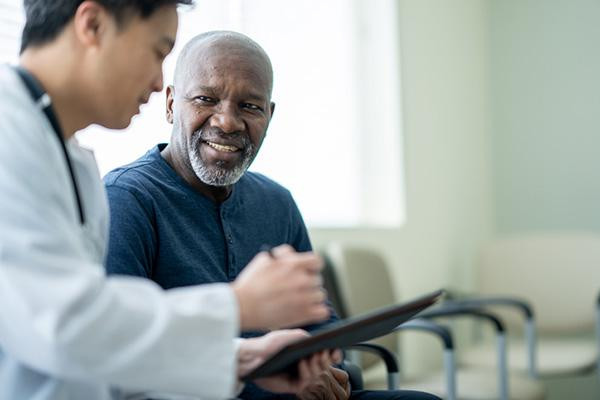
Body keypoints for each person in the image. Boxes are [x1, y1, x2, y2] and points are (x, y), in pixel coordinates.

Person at [0, 2, 340, 400]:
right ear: (92, 25)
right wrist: (236, 305)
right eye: (158, 51)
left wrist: (241, 359)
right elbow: (65, 326)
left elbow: (107, 340)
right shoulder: (11, 139)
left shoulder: (67, 157)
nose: (161, 83)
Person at [105, 31, 440, 400]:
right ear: (171, 104)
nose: (228, 122)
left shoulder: (277, 202)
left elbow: (319, 321)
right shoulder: (127, 199)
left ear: (269, 114)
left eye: (250, 106)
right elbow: (118, 352)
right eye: (206, 99)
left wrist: (318, 365)